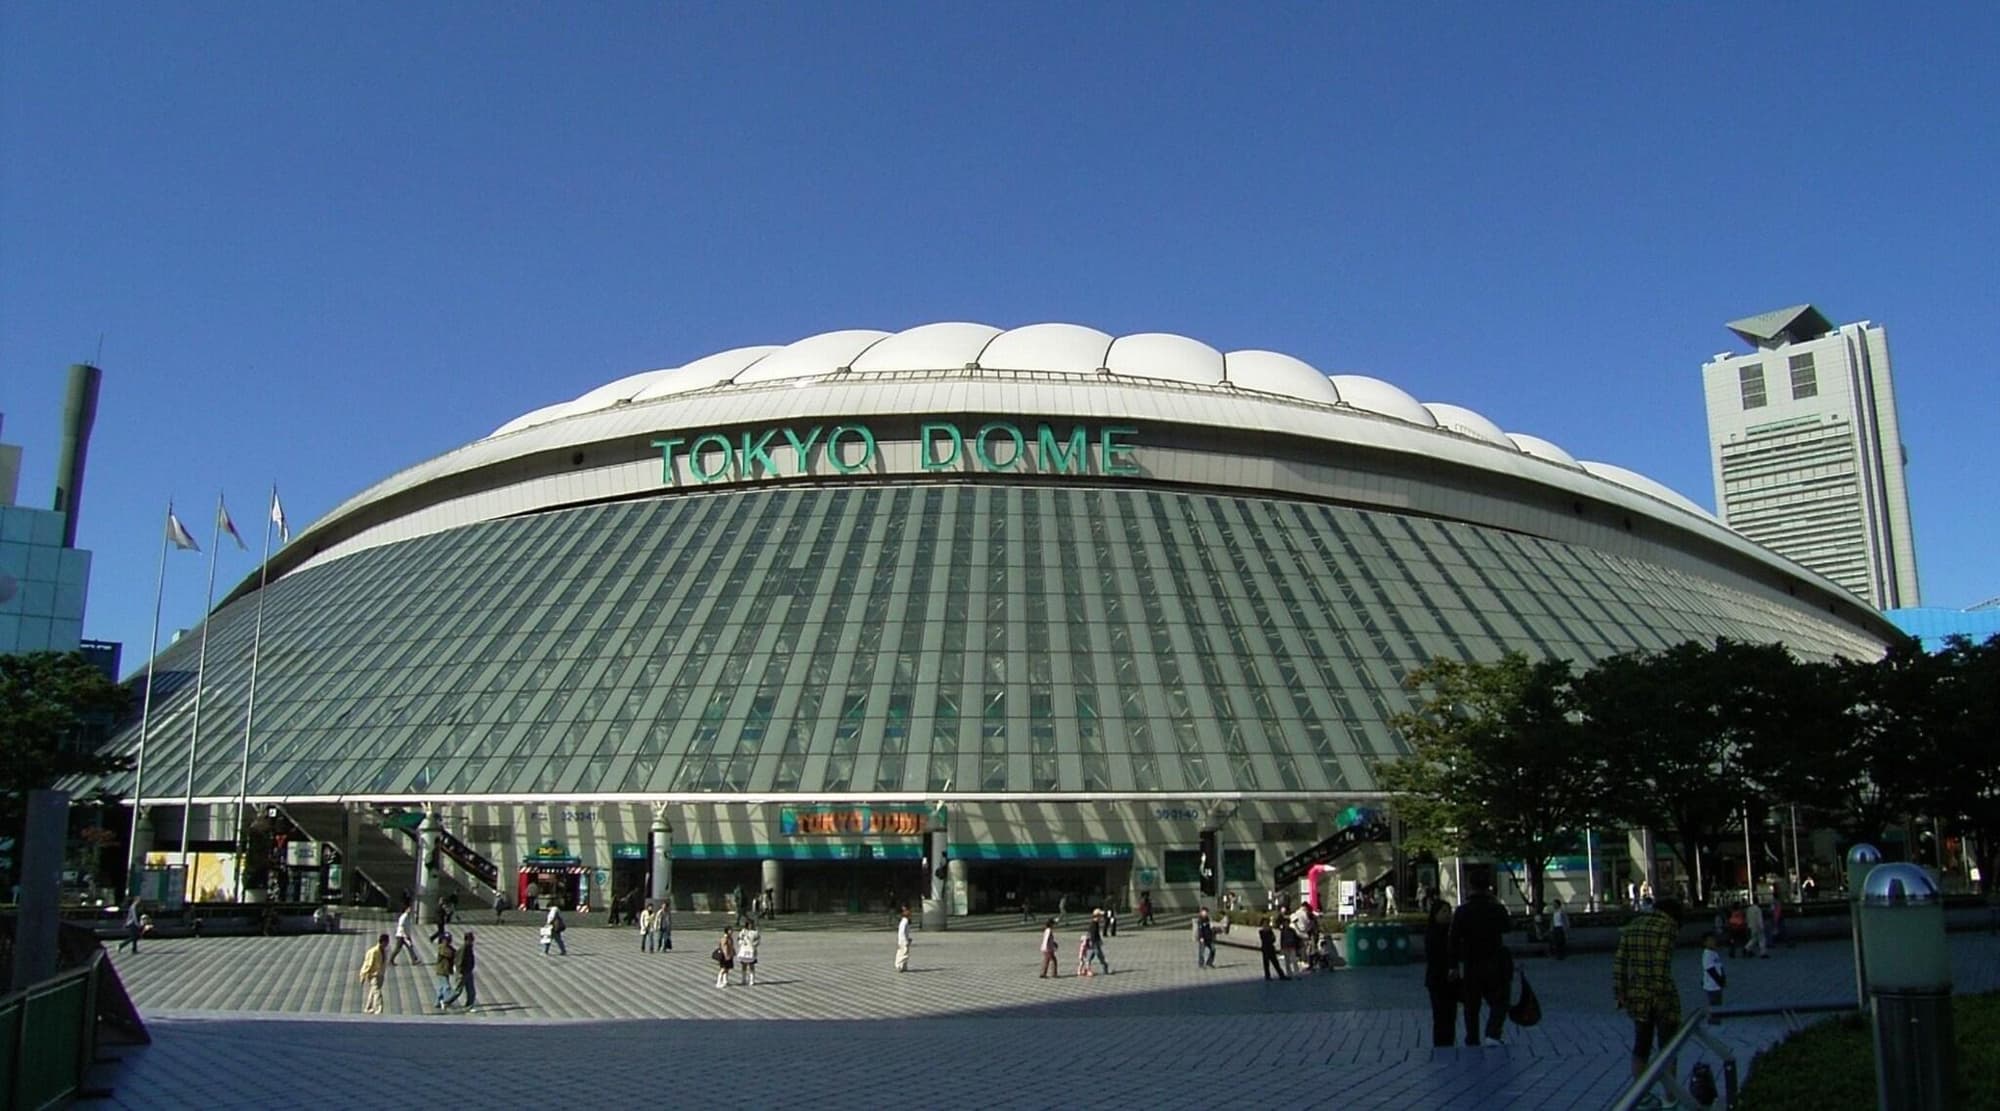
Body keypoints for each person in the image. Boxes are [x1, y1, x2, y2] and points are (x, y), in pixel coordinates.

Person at [1614, 898, 1683, 1091]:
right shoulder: (1668, 926)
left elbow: (1620, 961)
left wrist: (1620, 991)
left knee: (1641, 1044)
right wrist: (1660, 992)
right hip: (1661, 995)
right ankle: (1670, 1095)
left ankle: (1640, 1093)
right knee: (1668, 1047)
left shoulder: (1633, 924)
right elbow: (1661, 964)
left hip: (1637, 994)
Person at [1450, 882, 1513, 1047]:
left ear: (1470, 888)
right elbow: (1508, 927)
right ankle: (1493, 1033)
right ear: (1488, 889)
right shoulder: (1496, 909)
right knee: (1500, 1000)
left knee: (1471, 1004)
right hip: (1494, 960)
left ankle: (1472, 1037)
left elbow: (1453, 939)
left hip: (1471, 962)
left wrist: (1453, 965)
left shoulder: (1462, 911)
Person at [1423, 898, 1458, 1047]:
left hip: (1452, 980)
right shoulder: (1432, 933)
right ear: (1435, 914)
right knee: (1440, 1015)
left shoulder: (1453, 932)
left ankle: (1449, 1042)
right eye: (1443, 911)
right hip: (1437, 979)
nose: (1447, 915)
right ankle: (1440, 1044)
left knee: (1451, 1015)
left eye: (1449, 911)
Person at [445, 931, 479, 1011]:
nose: (472, 941)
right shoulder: (463, 948)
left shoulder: (469, 947)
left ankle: (469, 1006)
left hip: (468, 972)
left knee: (471, 991)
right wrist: (460, 971)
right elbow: (459, 961)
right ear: (467, 940)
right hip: (463, 973)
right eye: (471, 939)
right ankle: (446, 1002)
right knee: (458, 991)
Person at [358, 933, 389, 1015]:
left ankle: (368, 1007)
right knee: (377, 991)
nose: (387, 944)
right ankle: (379, 1008)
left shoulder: (384, 951)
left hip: (381, 974)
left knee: (373, 991)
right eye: (386, 942)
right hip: (373, 975)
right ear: (382, 942)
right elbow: (368, 964)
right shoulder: (373, 951)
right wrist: (363, 974)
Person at [1701, 934, 1726, 1024]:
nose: (1713, 942)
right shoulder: (1707, 954)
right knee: (1714, 1004)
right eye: (1710, 941)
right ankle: (1713, 1021)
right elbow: (1710, 970)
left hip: (1717, 984)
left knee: (1718, 1003)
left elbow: (1720, 966)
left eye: (1713, 940)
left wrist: (1723, 978)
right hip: (1711, 985)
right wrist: (1719, 980)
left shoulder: (1714, 953)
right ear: (1705, 943)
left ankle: (1717, 1020)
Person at [432, 932, 458, 1011]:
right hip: (441, 970)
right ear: (443, 940)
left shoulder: (449, 947)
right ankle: (446, 1001)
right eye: (446, 940)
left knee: (441, 987)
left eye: (449, 940)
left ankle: (437, 1002)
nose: (448, 941)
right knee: (446, 986)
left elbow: (454, 952)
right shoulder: (441, 947)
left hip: (446, 970)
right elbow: (448, 954)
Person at [1258, 916, 1288, 981]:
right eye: (1265, 923)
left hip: (1271, 948)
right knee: (1266, 963)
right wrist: (1270, 938)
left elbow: (1273, 939)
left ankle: (1281, 975)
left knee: (1275, 962)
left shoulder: (1270, 930)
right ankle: (1267, 976)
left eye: (1267, 923)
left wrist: (1271, 938)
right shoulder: (1261, 931)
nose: (1266, 924)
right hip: (1265, 948)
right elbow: (1265, 939)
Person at [736, 919, 761, 985]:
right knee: (744, 965)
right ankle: (743, 979)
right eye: (749, 924)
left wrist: (754, 944)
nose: (750, 925)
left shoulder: (755, 932)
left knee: (751, 965)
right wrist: (741, 942)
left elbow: (758, 940)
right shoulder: (743, 931)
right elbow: (739, 939)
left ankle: (752, 980)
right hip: (744, 950)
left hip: (751, 950)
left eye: (751, 924)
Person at [1086, 909, 1111, 975]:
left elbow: (1096, 934)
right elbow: (1093, 935)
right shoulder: (1093, 924)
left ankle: (1086, 968)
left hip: (1094, 943)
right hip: (1094, 943)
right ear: (1097, 916)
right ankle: (1105, 969)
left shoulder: (1096, 923)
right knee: (1100, 956)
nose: (1101, 918)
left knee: (1091, 956)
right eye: (1100, 916)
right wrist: (1095, 942)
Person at [894, 905, 912, 973]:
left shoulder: (904, 921)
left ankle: (903, 966)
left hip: (902, 939)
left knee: (901, 952)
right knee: (904, 953)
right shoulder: (905, 921)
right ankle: (899, 966)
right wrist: (905, 940)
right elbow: (902, 932)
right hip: (903, 940)